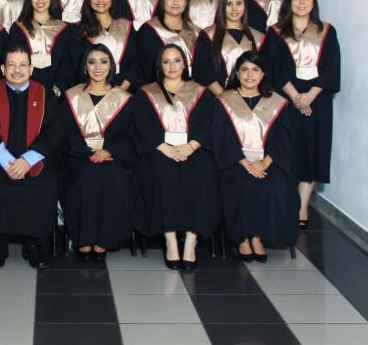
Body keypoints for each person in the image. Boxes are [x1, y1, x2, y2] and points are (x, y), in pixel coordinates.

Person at [0, 46, 63, 269]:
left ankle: (36, 246)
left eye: (23, 65)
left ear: (31, 69)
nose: (17, 70)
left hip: (35, 159)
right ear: (3, 69)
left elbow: (54, 131)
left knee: (45, 185)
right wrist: (6, 161)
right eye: (11, 65)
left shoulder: (45, 93)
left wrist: (27, 161)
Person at [134, 44, 219, 270]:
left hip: (194, 149)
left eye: (177, 60)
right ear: (159, 66)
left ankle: (191, 240)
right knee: (163, 174)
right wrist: (164, 147)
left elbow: (209, 124)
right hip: (159, 149)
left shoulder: (200, 92)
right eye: (166, 61)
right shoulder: (147, 92)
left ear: (184, 64)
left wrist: (191, 146)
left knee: (202, 175)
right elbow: (141, 125)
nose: (172, 66)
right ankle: (170, 240)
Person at [266, 0, 340, 229]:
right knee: (289, 148)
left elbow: (331, 68)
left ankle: (302, 206)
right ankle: (285, 202)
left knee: (313, 150)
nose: (301, 2)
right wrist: (297, 97)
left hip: (318, 101)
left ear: (313, 2)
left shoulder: (327, 31)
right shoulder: (276, 32)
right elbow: (273, 67)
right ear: (289, 2)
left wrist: (311, 96)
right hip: (286, 98)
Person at [213, 51, 299, 260]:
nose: (249, 75)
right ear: (237, 73)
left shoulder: (278, 102)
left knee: (275, 185)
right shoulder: (223, 101)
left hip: (268, 162)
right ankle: (242, 238)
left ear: (263, 74)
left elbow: (284, 139)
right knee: (242, 184)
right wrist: (245, 162)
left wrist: (265, 162)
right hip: (235, 161)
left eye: (255, 70)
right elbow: (221, 137)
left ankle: (258, 237)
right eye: (244, 70)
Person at [62, 44, 138, 260]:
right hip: (78, 156)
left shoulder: (125, 99)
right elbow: (65, 133)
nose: (98, 67)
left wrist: (109, 150)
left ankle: (104, 239)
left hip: (113, 157)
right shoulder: (71, 96)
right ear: (85, 66)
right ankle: (83, 238)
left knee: (109, 174)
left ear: (111, 66)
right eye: (92, 62)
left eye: (104, 62)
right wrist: (86, 152)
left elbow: (131, 135)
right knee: (86, 173)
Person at [193, 0, 267, 96]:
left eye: (239, 3)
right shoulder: (208, 35)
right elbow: (202, 71)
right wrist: (225, 98)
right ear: (222, 6)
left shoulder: (259, 38)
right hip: (216, 98)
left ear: (245, 5)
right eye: (229, 4)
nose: (234, 9)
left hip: (251, 99)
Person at [70, 0, 140, 92]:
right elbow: (77, 66)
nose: (100, 0)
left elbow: (135, 61)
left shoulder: (126, 26)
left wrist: (122, 89)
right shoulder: (79, 31)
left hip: (125, 90)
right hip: (91, 90)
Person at [9, 0, 71, 93]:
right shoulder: (18, 28)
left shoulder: (63, 29)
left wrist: (58, 87)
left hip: (55, 92)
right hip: (23, 89)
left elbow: (66, 65)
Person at [137, 0, 199, 83]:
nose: (175, 2)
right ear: (163, 1)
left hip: (193, 88)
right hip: (159, 88)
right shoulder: (149, 30)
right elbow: (147, 69)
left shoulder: (196, 32)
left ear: (186, 2)